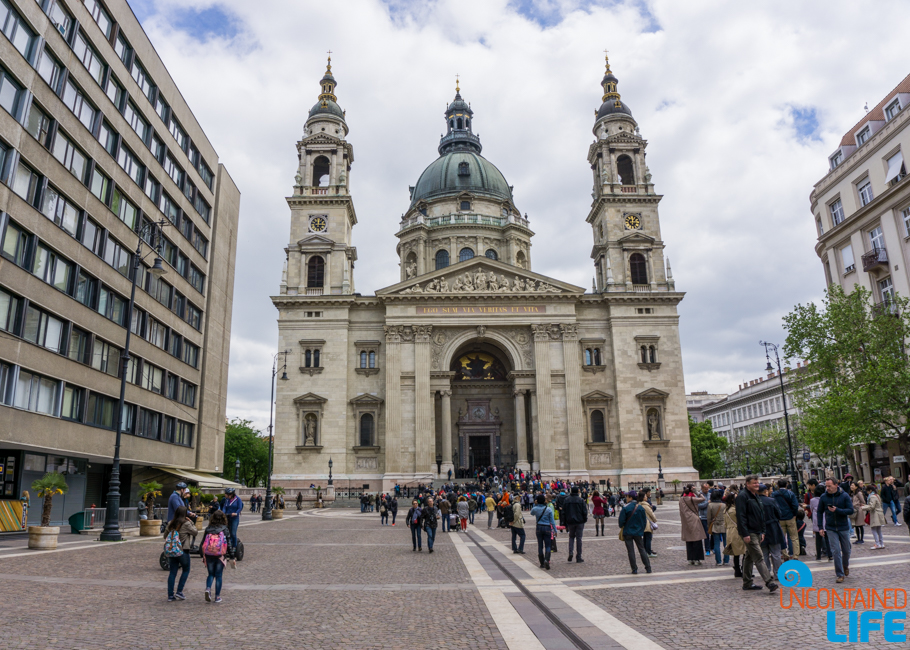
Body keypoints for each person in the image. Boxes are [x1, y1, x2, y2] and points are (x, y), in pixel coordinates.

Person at [735, 475, 779, 593]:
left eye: (757, 483)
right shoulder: (743, 496)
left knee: (749, 557)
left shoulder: (756, 496)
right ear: (747, 484)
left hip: (757, 531)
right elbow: (741, 516)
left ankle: (747, 582)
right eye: (754, 483)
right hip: (749, 531)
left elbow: (761, 514)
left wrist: (763, 531)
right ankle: (769, 582)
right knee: (759, 557)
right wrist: (745, 533)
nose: (757, 484)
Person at [819, 477, 854, 583]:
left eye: (829, 486)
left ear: (836, 485)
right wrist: (820, 527)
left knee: (847, 550)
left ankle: (845, 565)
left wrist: (837, 510)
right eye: (826, 486)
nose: (827, 488)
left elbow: (851, 510)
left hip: (843, 527)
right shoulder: (823, 497)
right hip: (830, 528)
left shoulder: (844, 496)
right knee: (836, 552)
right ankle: (840, 574)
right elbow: (819, 512)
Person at [163, 505, 196, 601]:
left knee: (172, 572)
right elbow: (195, 532)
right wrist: (191, 522)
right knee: (186, 570)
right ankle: (179, 591)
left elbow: (165, 535)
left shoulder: (170, 523)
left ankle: (170, 595)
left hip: (172, 550)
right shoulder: (186, 524)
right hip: (183, 550)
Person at [199, 510, 233, 603]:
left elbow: (203, 542)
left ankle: (208, 589)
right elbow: (229, 543)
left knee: (210, 574)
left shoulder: (208, 528)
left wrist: (202, 554)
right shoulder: (225, 529)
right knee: (218, 575)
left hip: (209, 554)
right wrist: (232, 556)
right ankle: (217, 596)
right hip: (220, 554)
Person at [618, 491, 651, 574]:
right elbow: (644, 521)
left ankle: (634, 569)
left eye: (627, 496)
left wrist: (624, 526)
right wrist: (641, 529)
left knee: (631, 551)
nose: (626, 498)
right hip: (638, 532)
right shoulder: (640, 508)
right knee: (642, 549)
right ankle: (648, 567)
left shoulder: (626, 508)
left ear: (630, 498)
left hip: (628, 532)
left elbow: (620, 522)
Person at [758, 483, 784, 576]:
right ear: (765, 491)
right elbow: (779, 514)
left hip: (760, 529)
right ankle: (778, 573)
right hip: (773, 528)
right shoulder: (771, 501)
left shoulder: (754, 502)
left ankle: (766, 574)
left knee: (764, 554)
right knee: (776, 553)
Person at [772, 479, 800, 561]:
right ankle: (795, 555)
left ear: (777, 485)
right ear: (786, 485)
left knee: (782, 537)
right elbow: (795, 505)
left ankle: (785, 554)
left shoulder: (774, 494)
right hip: (790, 517)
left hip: (780, 518)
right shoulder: (790, 493)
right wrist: (794, 514)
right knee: (794, 537)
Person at [679, 486, 707, 565]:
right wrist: (697, 492)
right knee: (697, 540)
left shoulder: (681, 499)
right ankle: (697, 559)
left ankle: (690, 558)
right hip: (694, 520)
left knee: (689, 540)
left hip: (685, 521)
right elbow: (703, 498)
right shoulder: (692, 499)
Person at [722, 492, 746, 578]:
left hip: (729, 531)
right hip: (736, 531)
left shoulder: (726, 510)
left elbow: (725, 523)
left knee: (736, 553)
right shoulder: (735, 510)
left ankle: (737, 570)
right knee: (744, 551)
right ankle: (744, 570)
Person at [563, 487, 588, 563]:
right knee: (579, 538)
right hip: (579, 521)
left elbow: (564, 512)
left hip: (570, 521)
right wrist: (584, 519)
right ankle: (578, 556)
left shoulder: (567, 500)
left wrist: (565, 522)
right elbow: (584, 511)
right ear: (577, 491)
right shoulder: (580, 500)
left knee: (571, 537)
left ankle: (571, 552)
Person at [531, 494, 555, 570]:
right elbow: (552, 521)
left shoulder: (535, 509)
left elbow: (531, 513)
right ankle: (546, 560)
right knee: (548, 545)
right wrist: (555, 529)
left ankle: (542, 563)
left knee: (540, 545)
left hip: (539, 527)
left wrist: (535, 504)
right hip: (547, 527)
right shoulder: (548, 509)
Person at [810, 485, 832, 561]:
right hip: (826, 519)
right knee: (827, 539)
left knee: (818, 539)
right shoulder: (826, 499)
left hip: (817, 520)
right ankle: (830, 554)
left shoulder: (812, 500)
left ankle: (818, 555)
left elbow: (811, 509)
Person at [706, 489, 728, 566]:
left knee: (716, 544)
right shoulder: (724, 505)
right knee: (726, 544)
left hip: (715, 525)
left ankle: (718, 561)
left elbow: (708, 518)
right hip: (724, 525)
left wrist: (709, 526)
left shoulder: (710, 505)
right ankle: (726, 560)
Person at [862, 484, 886, 549]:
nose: (867, 492)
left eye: (867, 491)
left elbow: (872, 506)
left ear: (870, 490)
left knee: (873, 529)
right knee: (879, 530)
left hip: (875, 514)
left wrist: (863, 507)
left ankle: (877, 544)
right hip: (879, 513)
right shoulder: (877, 495)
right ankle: (881, 543)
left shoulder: (872, 496)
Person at [638, 491, 658, 558]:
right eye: (645, 496)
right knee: (648, 538)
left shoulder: (638, 505)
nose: (646, 497)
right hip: (647, 524)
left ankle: (645, 552)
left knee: (645, 539)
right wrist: (655, 520)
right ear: (643, 498)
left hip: (642, 524)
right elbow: (651, 514)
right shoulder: (645, 505)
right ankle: (648, 552)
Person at [697, 483, 712, 556]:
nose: (707, 490)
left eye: (708, 488)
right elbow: (699, 506)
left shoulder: (710, 495)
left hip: (711, 517)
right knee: (706, 534)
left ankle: (712, 547)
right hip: (703, 517)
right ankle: (707, 549)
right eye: (705, 489)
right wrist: (707, 503)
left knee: (713, 534)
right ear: (702, 488)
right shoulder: (699, 496)